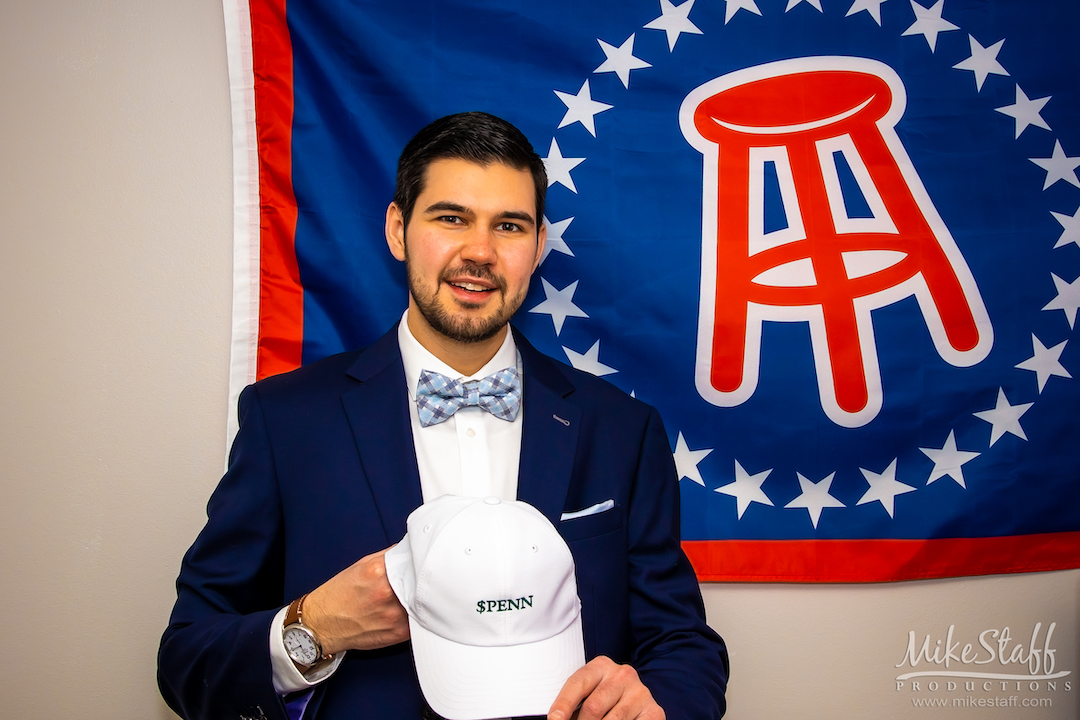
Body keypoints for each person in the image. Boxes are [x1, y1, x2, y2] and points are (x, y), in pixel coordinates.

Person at [158, 111, 729, 720]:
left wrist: (657, 702)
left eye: (508, 226)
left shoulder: (623, 430)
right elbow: (187, 658)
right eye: (451, 218)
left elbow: (683, 645)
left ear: (538, 247)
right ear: (399, 230)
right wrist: (314, 626)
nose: (479, 252)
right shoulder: (286, 420)